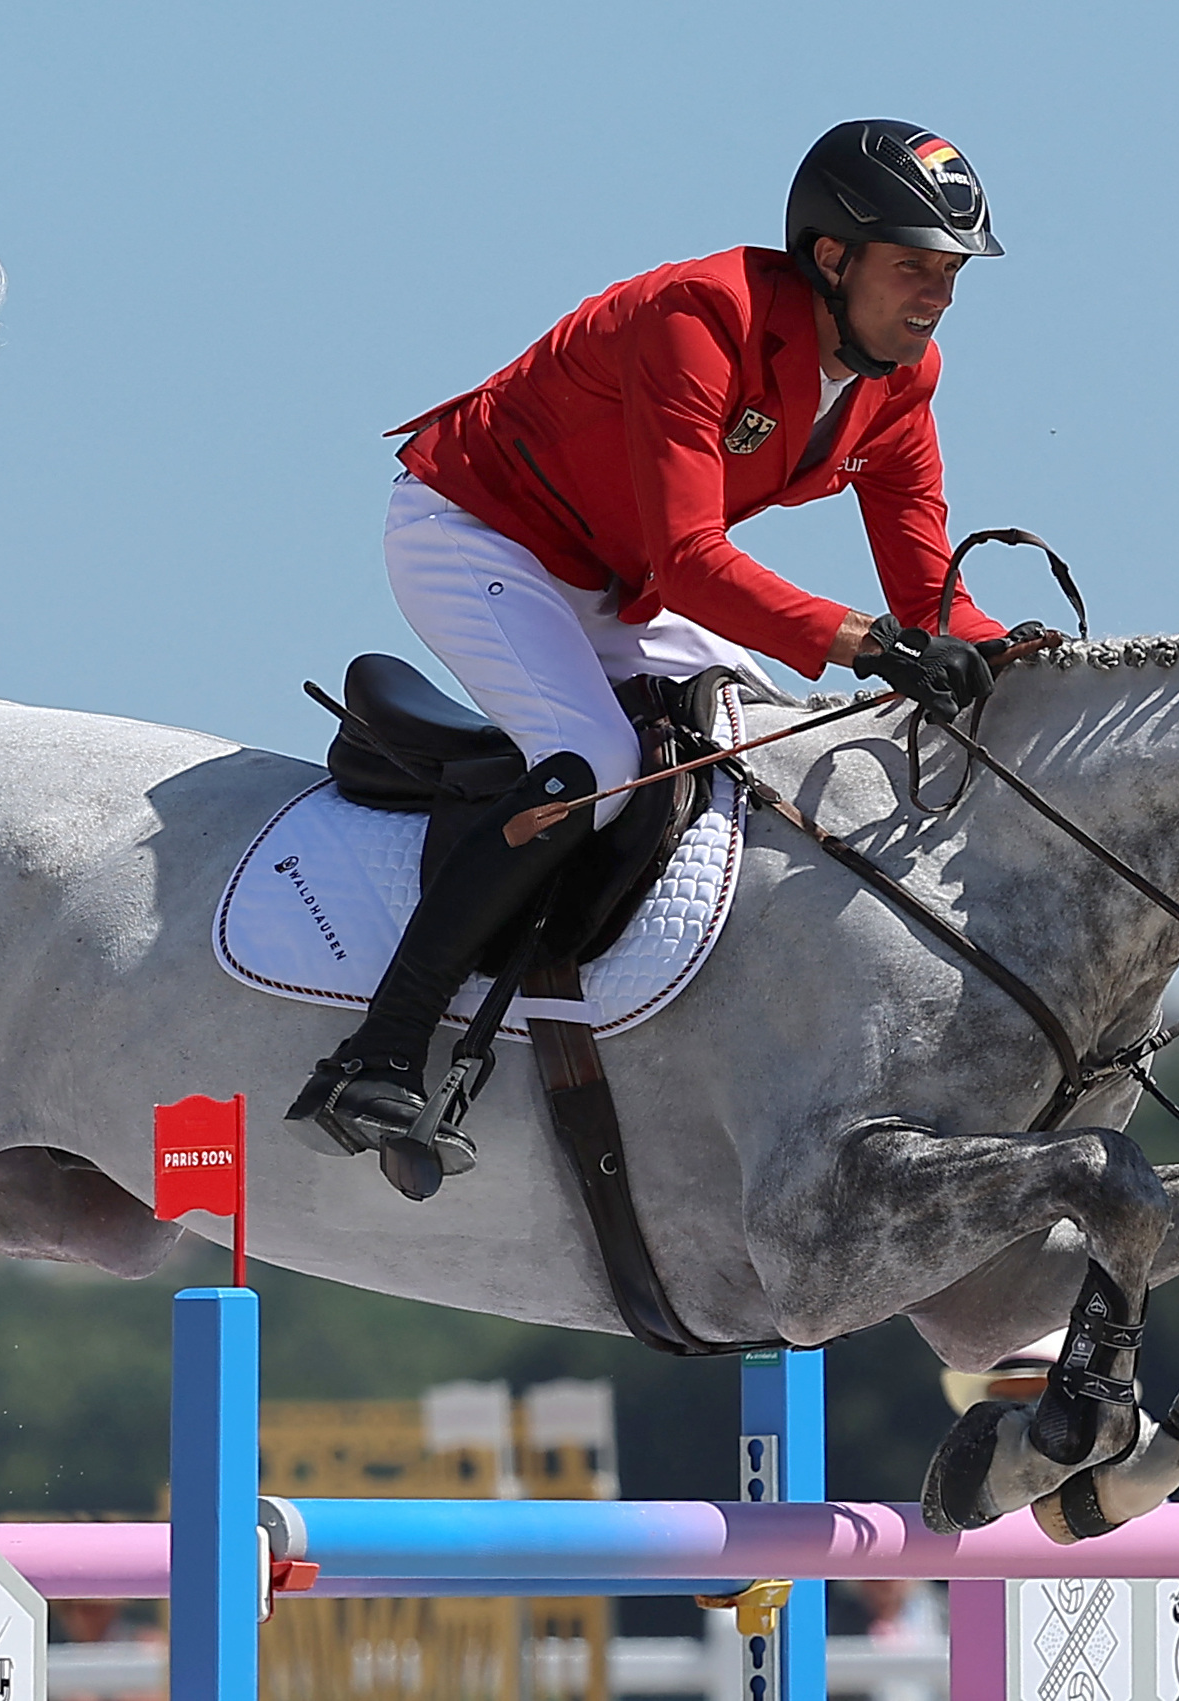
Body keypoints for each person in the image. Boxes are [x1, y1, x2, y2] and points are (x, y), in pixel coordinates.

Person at [285, 120, 1029, 1177]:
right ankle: (383, 1050)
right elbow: (690, 561)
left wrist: (1023, 664)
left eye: (948, 273)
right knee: (590, 760)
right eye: (911, 267)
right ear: (829, 256)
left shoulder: (903, 378)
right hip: (474, 531)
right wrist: (866, 642)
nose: (935, 296)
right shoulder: (700, 318)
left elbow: (930, 594)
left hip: (607, 576)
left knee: (765, 744)